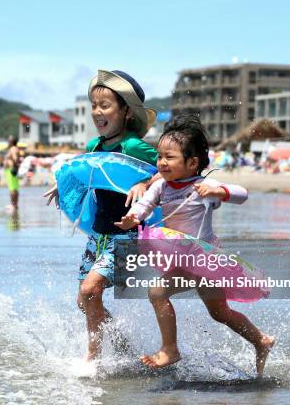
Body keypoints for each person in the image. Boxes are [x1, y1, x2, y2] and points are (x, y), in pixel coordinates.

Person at [115, 115, 275, 377]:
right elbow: (143, 206)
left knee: (157, 292)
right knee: (220, 312)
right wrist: (132, 218)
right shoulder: (161, 187)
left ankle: (169, 349)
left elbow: (242, 194)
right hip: (182, 256)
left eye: (170, 157)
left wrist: (218, 192)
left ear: (192, 162)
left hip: (202, 256)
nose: (162, 163)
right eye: (159, 157)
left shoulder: (202, 185)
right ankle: (261, 339)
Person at [44, 69, 158, 362]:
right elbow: (84, 174)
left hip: (129, 235)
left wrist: (145, 183)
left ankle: (92, 359)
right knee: (85, 300)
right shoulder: (93, 147)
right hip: (98, 234)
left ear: (127, 112)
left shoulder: (133, 146)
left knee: (90, 288)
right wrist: (63, 185)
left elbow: (170, 171)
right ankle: (120, 343)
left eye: (105, 105)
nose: (97, 112)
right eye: (94, 105)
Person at [4, 136, 21, 210]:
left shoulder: (13, 149)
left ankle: (13, 205)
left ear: (11, 142)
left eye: (8, 141)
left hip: (11, 170)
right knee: (14, 188)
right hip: (13, 169)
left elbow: (15, 158)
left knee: (12, 188)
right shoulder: (15, 149)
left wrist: (13, 165)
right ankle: (15, 204)